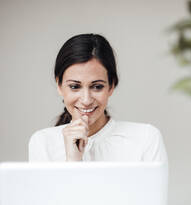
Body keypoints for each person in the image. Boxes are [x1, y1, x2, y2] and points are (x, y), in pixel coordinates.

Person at [28, 33, 168, 164]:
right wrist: (73, 160)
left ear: (111, 85)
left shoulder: (145, 139)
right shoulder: (43, 143)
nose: (86, 100)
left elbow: (154, 191)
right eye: (75, 87)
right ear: (59, 86)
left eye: (97, 87)